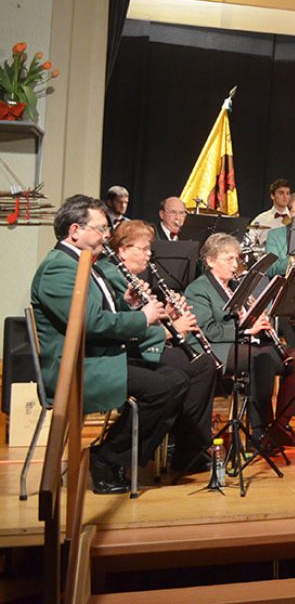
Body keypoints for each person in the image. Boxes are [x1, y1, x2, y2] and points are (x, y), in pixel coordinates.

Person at [31, 195, 187, 494]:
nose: (106, 235)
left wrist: (127, 302)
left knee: (176, 379)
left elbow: (103, 311)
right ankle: (106, 458)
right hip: (76, 369)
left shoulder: (85, 264)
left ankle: (116, 457)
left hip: (99, 358)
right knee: (162, 388)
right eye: (101, 229)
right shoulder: (59, 268)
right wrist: (142, 319)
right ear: (75, 230)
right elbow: (90, 322)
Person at [97, 220, 219, 473]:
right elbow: (123, 325)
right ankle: (169, 445)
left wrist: (171, 317)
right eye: (143, 249)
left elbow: (141, 318)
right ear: (122, 251)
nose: (149, 254)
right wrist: (167, 330)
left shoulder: (129, 277)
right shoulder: (112, 276)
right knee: (181, 375)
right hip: (127, 352)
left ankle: (186, 446)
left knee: (202, 365)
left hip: (140, 346)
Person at [185, 233, 295, 448]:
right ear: (210, 261)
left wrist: (258, 319)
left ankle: (280, 425)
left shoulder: (236, 286)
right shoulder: (198, 289)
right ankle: (258, 431)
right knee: (259, 358)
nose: (234, 264)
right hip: (213, 349)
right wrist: (246, 328)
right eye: (228, 259)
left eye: (236, 259)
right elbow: (208, 330)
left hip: (244, 345)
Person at [250, 179, 292, 247]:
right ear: (272, 196)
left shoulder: (294, 218)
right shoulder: (261, 219)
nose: (285, 196)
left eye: (288, 193)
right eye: (281, 193)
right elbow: (250, 241)